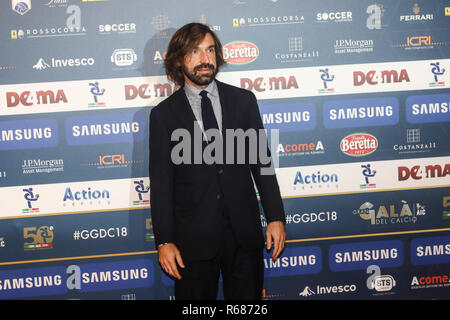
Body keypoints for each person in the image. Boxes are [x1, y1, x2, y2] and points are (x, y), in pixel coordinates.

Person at [149, 22, 285, 300]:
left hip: (244, 236)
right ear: (178, 59)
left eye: (210, 50)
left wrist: (275, 217)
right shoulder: (163, 115)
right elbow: (161, 184)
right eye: (195, 52)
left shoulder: (243, 101)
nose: (205, 59)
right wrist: (164, 240)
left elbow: (263, 164)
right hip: (192, 242)